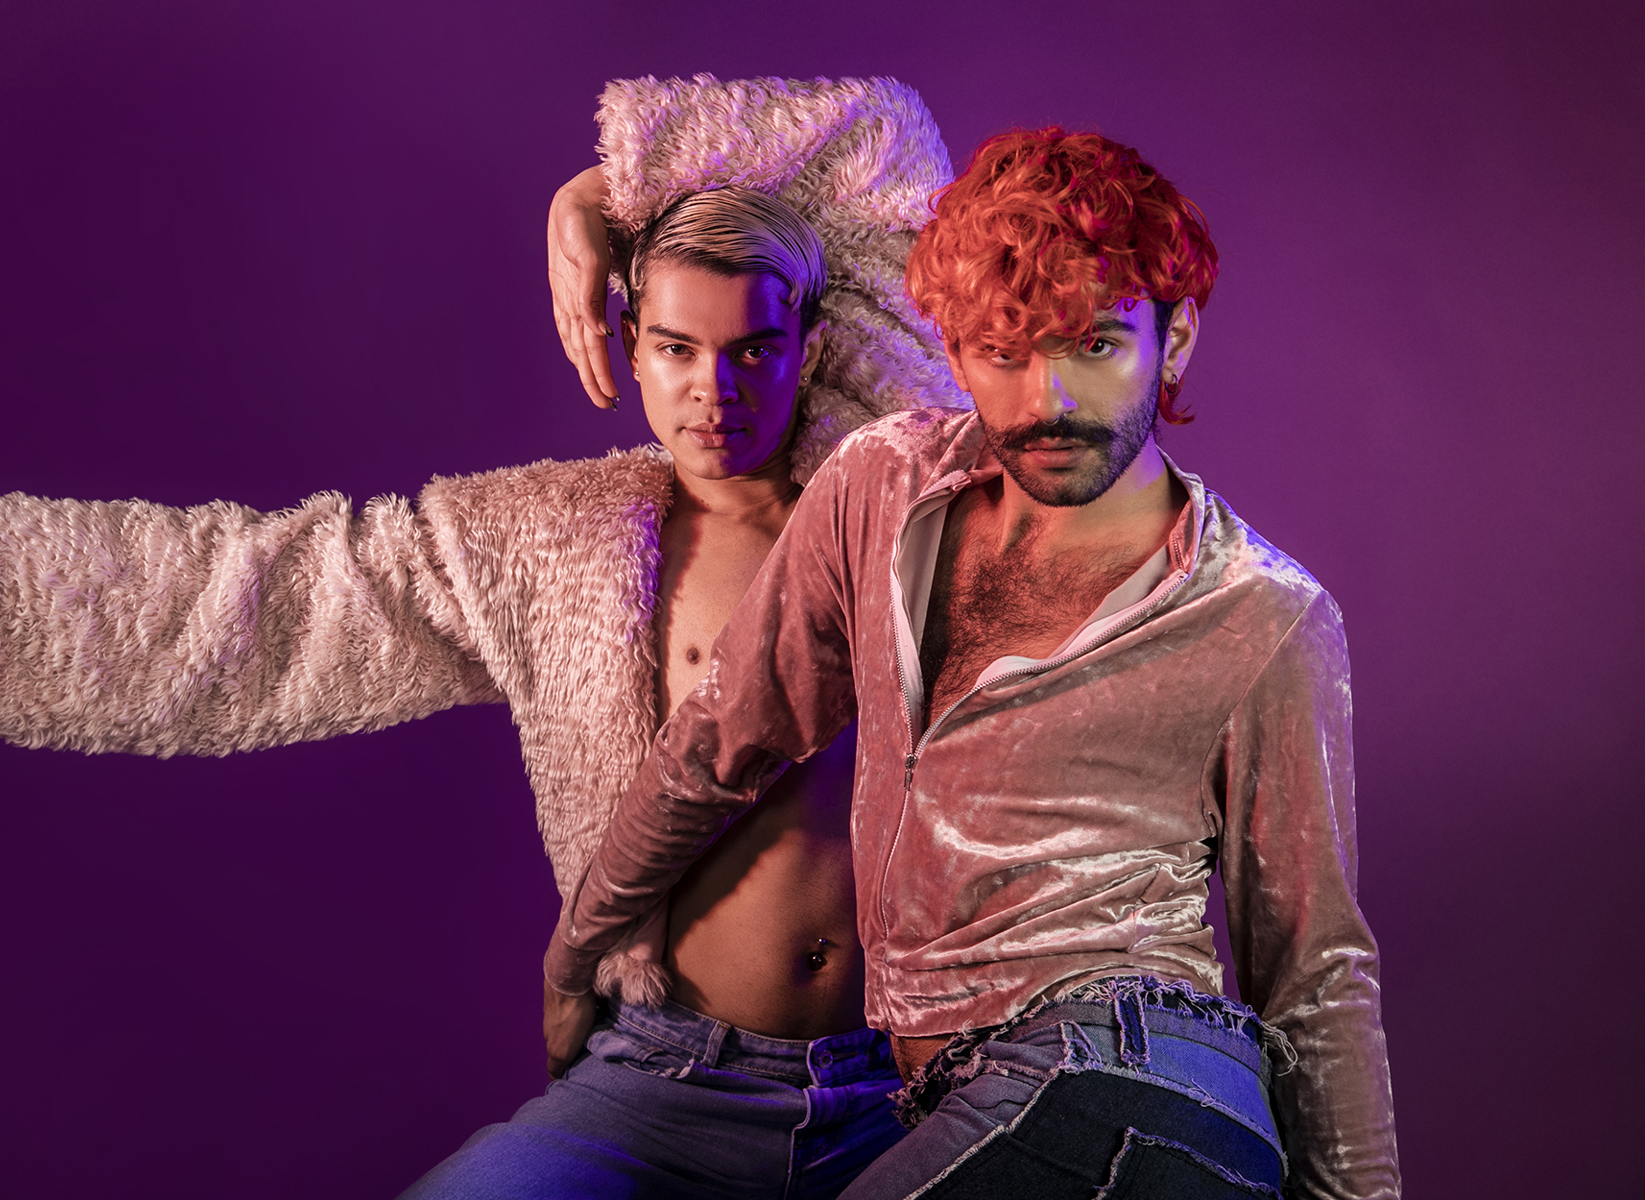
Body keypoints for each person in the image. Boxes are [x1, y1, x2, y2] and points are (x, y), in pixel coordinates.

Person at [0, 76, 967, 1197]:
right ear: (629, 345)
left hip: (918, 1080)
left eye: (751, 351)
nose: (711, 391)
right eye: (677, 349)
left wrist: (591, 196)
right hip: (663, 1085)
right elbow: (284, 597)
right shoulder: (547, 544)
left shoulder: (896, 478)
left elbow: (880, 140)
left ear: (811, 345)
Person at [543, 127, 1402, 1198]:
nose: (1049, 399)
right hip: (969, 1101)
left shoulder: (1263, 614)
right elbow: (718, 739)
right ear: (951, 352)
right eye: (1004, 349)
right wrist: (580, 943)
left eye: (1095, 343)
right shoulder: (879, 486)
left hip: (1145, 1070)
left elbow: (1315, 971)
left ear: (1174, 339)